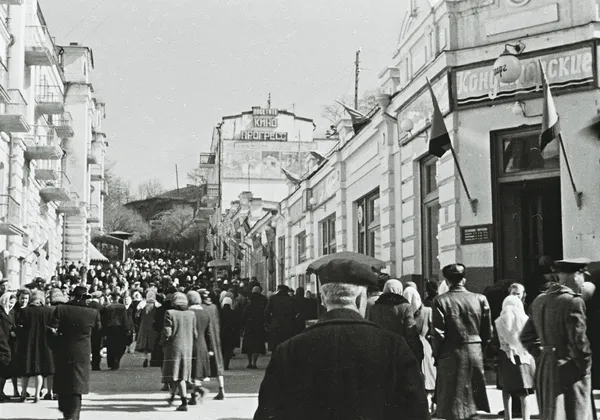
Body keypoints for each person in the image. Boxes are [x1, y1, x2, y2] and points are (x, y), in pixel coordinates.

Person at [254, 257, 429, 420]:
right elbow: (416, 411)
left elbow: (268, 412)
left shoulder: (288, 350)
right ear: (361, 297)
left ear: (323, 299)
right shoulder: (393, 347)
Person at [520, 258, 593, 420]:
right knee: (575, 413)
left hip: (545, 367)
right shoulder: (573, 301)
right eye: (583, 276)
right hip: (569, 369)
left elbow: (526, 336)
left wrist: (545, 354)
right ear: (576, 275)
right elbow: (579, 342)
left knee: (553, 414)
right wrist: (585, 367)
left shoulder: (540, 299)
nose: (583, 281)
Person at [432, 263, 492, 420]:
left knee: (452, 399)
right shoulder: (480, 299)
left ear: (447, 281)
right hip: (474, 352)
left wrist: (437, 355)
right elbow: (487, 332)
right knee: (472, 401)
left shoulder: (440, 301)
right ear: (464, 280)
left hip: (450, 352)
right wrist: (480, 348)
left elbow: (438, 334)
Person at [48, 286, 102, 420]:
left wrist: (54, 345)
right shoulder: (93, 313)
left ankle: (67, 413)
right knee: (77, 385)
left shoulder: (61, 309)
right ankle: (73, 415)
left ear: (72, 296)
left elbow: (50, 330)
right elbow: (98, 334)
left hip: (62, 350)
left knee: (63, 381)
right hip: (82, 352)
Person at [494, 295, 535, 420]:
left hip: (505, 357)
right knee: (524, 391)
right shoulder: (526, 319)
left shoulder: (498, 321)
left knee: (506, 389)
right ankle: (525, 417)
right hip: (523, 357)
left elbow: (495, 341)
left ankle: (508, 416)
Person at [367, 279, 423, 362]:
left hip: (380, 350)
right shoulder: (405, 307)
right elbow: (410, 331)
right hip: (400, 351)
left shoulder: (374, 308)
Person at [16, 290, 56, 402]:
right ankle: (37, 395)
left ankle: (23, 393)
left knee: (26, 370)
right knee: (40, 371)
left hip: (27, 344)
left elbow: (19, 328)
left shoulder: (24, 311)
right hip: (44, 344)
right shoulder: (49, 311)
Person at [161, 292, 196, 411]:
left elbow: (167, 333)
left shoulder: (170, 313)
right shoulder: (191, 314)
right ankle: (171, 397)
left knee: (177, 375)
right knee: (179, 374)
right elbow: (195, 333)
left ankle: (184, 402)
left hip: (174, 348)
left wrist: (163, 343)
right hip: (188, 348)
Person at [403, 286, 436, 413]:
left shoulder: (404, 310)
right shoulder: (427, 311)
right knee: (428, 376)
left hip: (408, 345)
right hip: (425, 346)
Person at [200, 288, 226, 400]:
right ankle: (221, 389)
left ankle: (197, 392)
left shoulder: (201, 308)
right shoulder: (214, 307)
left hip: (205, 339)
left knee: (199, 366)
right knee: (217, 366)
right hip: (216, 339)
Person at [187, 291, 211, 405]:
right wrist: (210, 348)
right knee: (197, 372)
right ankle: (195, 395)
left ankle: (198, 392)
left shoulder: (188, 313)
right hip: (203, 345)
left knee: (191, 372)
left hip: (191, 344)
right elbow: (209, 333)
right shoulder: (205, 313)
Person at [101, 291, 133, 371]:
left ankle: (112, 363)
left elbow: (104, 320)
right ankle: (117, 359)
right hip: (120, 329)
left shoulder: (108, 307)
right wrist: (127, 329)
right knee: (120, 346)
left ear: (111, 298)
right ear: (118, 298)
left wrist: (104, 331)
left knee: (111, 346)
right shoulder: (122, 307)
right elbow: (125, 319)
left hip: (110, 328)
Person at [264, 284, 296, 352]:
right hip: (288, 325)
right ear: (287, 291)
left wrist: (269, 322)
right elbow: (294, 312)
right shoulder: (291, 299)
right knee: (286, 347)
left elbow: (266, 312)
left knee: (275, 346)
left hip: (275, 324)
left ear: (278, 290)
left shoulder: (272, 298)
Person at [242, 286, 268, 369]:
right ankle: (254, 362)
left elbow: (244, 315)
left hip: (249, 326)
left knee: (248, 345)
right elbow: (265, 314)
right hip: (258, 326)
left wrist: (243, 326)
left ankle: (249, 362)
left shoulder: (248, 302)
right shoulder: (263, 300)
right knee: (257, 345)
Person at [135, 289, 160, 368]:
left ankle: (146, 357)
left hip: (144, 324)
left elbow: (137, 314)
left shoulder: (143, 303)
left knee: (145, 343)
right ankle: (152, 358)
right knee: (152, 342)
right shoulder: (157, 304)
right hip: (153, 325)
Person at [0, 292, 17, 401]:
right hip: (2, 343)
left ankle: (1, 391)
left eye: (13, 303)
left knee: (5, 370)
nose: (11, 305)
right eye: (9, 303)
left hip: (9, 343)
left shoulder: (11, 312)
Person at [219, 297, 239, 370]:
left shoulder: (219, 312)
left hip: (221, 333)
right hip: (230, 333)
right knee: (228, 350)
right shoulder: (233, 312)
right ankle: (226, 365)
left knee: (222, 349)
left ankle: (221, 365)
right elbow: (236, 324)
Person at [87, 291, 103, 371]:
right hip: (97, 330)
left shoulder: (87, 306)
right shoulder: (100, 307)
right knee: (96, 348)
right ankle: (96, 365)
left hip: (88, 329)